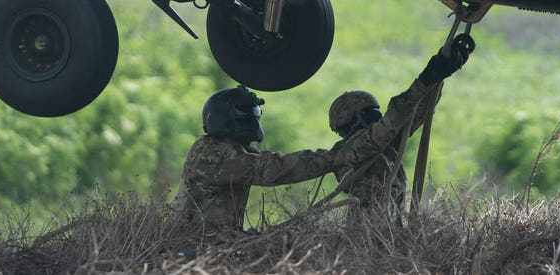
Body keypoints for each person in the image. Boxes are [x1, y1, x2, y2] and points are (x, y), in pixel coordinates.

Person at [172, 44, 472, 231]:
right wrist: (427, 78)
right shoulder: (212, 154)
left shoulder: (231, 151)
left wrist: (439, 75)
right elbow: (274, 169)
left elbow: (408, 119)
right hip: (200, 245)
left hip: (388, 230)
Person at [326, 31, 474, 219]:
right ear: (355, 122)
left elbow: (419, 111)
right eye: (371, 115)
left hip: (388, 232)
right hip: (366, 236)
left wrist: (442, 70)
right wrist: (426, 78)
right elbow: (395, 117)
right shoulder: (349, 152)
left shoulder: (387, 144)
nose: (376, 119)